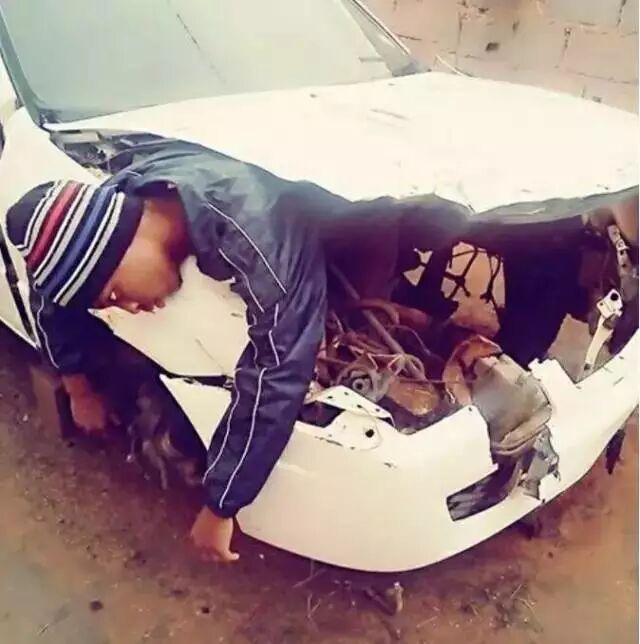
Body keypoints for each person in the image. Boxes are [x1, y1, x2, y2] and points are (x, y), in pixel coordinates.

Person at [6, 145, 329, 563]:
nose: (129, 308)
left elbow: (279, 369)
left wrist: (221, 505)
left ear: (124, 246)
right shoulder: (121, 204)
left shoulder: (257, 238)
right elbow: (51, 298)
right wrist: (78, 388)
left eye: (115, 294)